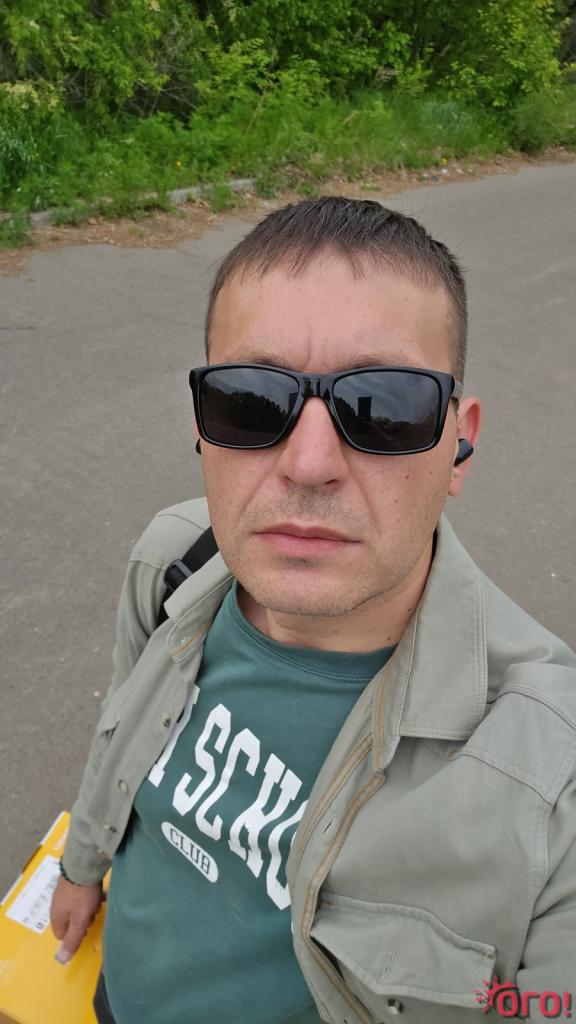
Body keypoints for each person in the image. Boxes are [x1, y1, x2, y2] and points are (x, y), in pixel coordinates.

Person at [50, 198, 576, 1024]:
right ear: (203, 428)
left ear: (459, 446)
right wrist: (81, 868)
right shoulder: (172, 562)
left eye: (386, 408)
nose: (309, 463)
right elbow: (119, 728)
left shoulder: (554, 786)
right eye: (251, 401)